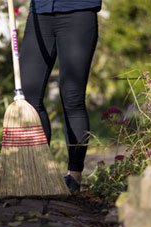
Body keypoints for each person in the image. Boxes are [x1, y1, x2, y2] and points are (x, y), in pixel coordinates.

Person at [19, 0, 101, 193]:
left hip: (78, 12)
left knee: (72, 96)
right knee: (28, 95)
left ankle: (74, 176)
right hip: (40, 14)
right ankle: (39, 170)